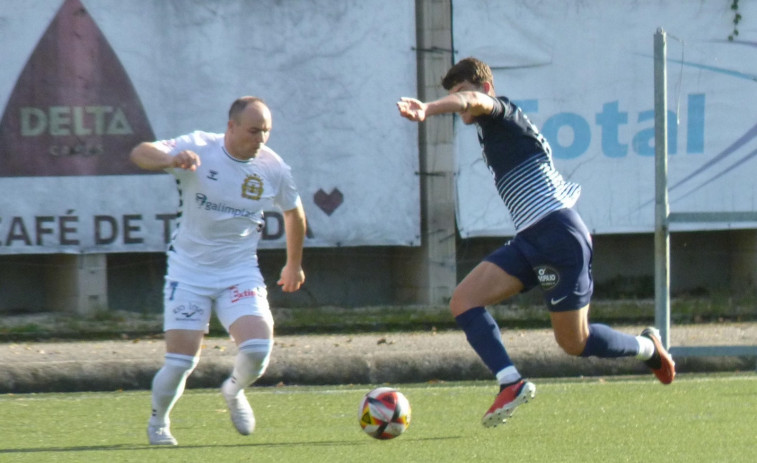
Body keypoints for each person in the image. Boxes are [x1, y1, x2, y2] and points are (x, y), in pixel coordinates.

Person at [397, 57, 675, 428]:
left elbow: (472, 104)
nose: (459, 100)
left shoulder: (500, 110)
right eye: (452, 94)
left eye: (462, 91)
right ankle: (510, 382)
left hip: (559, 235)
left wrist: (430, 107)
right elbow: (469, 105)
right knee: (464, 301)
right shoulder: (492, 129)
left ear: (485, 89)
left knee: (574, 343)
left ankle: (647, 348)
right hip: (531, 238)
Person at [130, 96, 307, 445]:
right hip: (189, 272)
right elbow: (139, 151)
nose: (260, 139)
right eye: (253, 130)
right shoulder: (198, 146)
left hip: (238, 273)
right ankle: (159, 423)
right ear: (231, 126)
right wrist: (170, 159)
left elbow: (294, 214)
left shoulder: (273, 167)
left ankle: (234, 390)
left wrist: (294, 263)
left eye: (266, 132)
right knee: (180, 362)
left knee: (257, 349)